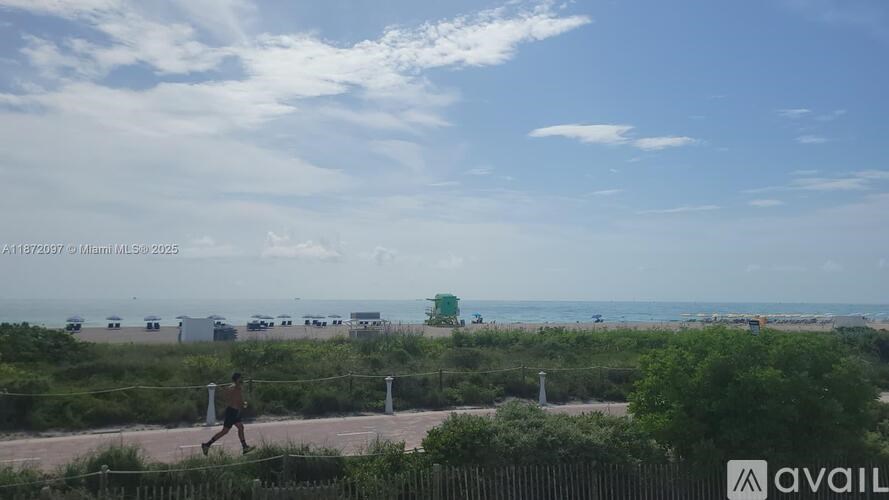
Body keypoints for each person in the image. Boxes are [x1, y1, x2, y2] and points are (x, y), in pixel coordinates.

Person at [201, 372, 254, 455]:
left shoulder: (232, 387)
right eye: (241, 378)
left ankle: (245, 447)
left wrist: (232, 402)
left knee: (240, 427)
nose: (242, 380)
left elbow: (225, 396)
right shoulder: (237, 388)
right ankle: (207, 445)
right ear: (237, 379)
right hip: (232, 412)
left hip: (233, 411)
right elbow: (239, 400)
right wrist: (244, 404)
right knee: (225, 431)